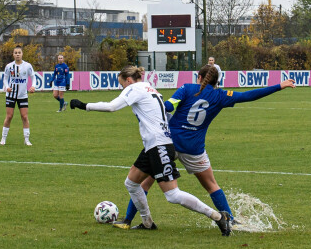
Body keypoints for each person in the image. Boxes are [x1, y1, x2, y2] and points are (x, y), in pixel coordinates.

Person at [114, 64, 296, 230]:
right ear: (217, 81)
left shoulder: (187, 88)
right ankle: (230, 220)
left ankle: (128, 220)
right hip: (194, 148)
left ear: (199, 77)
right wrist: (279, 86)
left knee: (145, 181)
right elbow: (248, 95)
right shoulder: (221, 95)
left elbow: (167, 106)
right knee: (211, 185)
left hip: (170, 141)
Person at [70, 65, 232, 236]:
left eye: (122, 84)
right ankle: (147, 222)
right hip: (154, 145)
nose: (123, 88)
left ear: (129, 80)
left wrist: (83, 105)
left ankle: (217, 216)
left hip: (159, 145)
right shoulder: (150, 88)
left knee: (172, 195)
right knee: (131, 183)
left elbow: (112, 106)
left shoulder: (134, 88)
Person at [0, 45, 36, 146]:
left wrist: (33, 86)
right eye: (15, 53)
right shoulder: (9, 66)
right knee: (9, 116)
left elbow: (33, 77)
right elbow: (5, 78)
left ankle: (27, 139)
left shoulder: (27, 66)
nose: (17, 54)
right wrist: (7, 87)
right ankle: (3, 138)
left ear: (22, 54)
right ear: (13, 54)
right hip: (11, 95)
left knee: (24, 117)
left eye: (19, 53)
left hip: (23, 95)